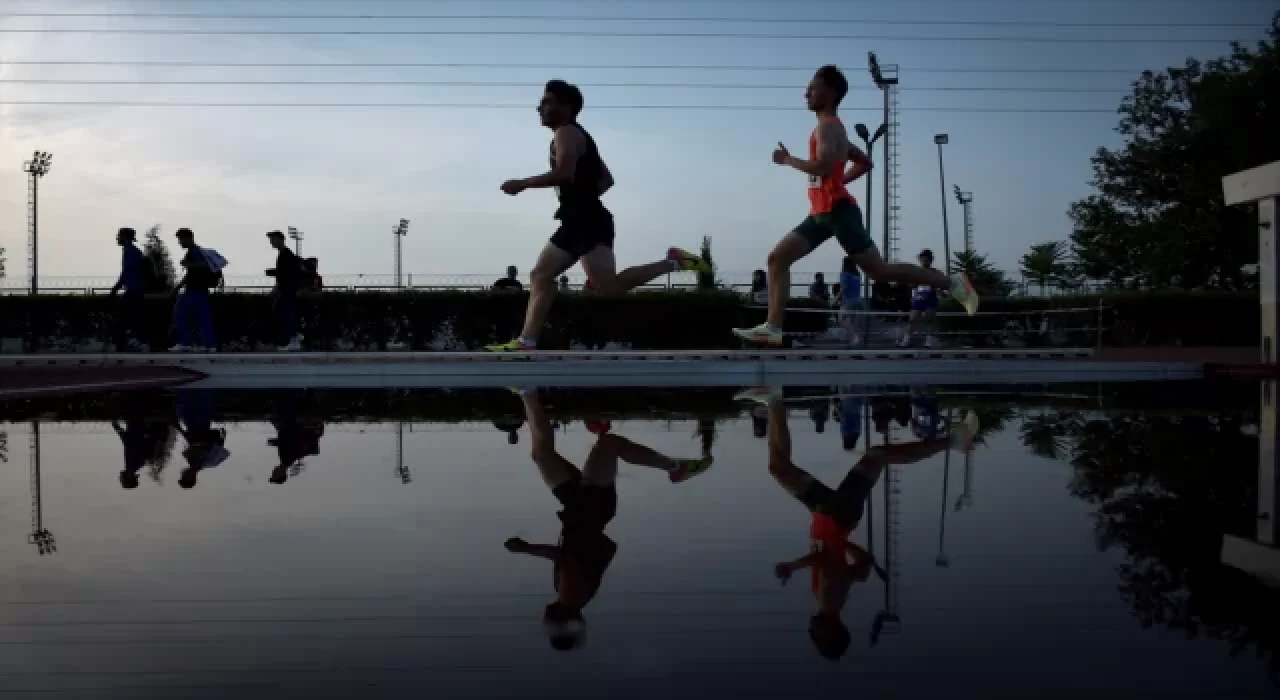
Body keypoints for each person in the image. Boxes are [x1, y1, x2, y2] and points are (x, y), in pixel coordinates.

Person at [733, 65, 978, 347]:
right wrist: (838, 180)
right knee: (777, 259)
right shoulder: (835, 130)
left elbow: (824, 166)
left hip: (838, 213)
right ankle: (773, 327)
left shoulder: (828, 127)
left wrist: (788, 160)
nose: (806, 93)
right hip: (821, 214)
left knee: (880, 271)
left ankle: (953, 283)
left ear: (831, 92)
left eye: (812, 88)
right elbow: (865, 163)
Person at [736, 386, 979, 660]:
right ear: (830, 633)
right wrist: (793, 566)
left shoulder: (836, 599)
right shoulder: (829, 600)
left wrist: (850, 553)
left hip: (829, 515)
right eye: (816, 638)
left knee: (779, 469)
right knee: (877, 456)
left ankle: (774, 402)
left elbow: (862, 564)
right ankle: (955, 441)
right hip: (836, 515)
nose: (810, 632)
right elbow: (822, 557)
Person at [487, 80, 712, 352]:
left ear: (566, 107)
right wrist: (582, 195)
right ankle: (673, 262)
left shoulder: (566, 133)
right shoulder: (579, 134)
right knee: (579, 283)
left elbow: (564, 173)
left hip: (584, 220)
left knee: (551, 278)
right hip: (586, 218)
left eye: (547, 102)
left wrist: (522, 183)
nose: (539, 107)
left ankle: (527, 342)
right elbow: (606, 180)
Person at [503, 388, 713, 650]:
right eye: (549, 627)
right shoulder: (570, 596)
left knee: (542, 455)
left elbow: (609, 548)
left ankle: (528, 394)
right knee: (609, 445)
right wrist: (525, 548)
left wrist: (587, 536)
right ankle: (676, 467)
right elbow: (564, 557)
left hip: (583, 510)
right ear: (560, 623)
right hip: (590, 509)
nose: (543, 622)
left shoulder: (582, 595)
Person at [170, 228, 220, 352]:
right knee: (203, 318)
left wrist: (188, 264)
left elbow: (205, 265)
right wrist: (178, 286)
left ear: (188, 238)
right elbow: (191, 274)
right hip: (201, 290)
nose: (179, 243)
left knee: (179, 313)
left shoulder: (194, 252)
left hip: (194, 290)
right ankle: (210, 345)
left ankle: (185, 342)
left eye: (180, 239)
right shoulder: (197, 252)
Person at [108, 227, 148, 352]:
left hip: (134, 289)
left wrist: (116, 288)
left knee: (122, 318)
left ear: (124, 237)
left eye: (119, 235)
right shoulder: (132, 251)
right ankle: (132, 342)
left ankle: (131, 343)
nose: (117, 238)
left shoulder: (131, 252)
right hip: (135, 289)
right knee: (130, 317)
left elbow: (127, 272)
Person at [265, 230, 303, 351]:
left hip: (288, 289)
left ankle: (294, 337)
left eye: (273, 239)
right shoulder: (283, 254)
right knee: (282, 311)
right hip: (286, 288)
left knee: (286, 312)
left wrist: (275, 277)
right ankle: (294, 336)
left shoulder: (286, 254)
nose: (271, 242)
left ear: (281, 239)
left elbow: (286, 273)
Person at [899, 249, 941, 348]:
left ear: (929, 260)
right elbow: (913, 285)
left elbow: (939, 285)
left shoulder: (935, 272)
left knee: (929, 319)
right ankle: (906, 340)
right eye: (921, 259)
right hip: (919, 297)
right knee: (912, 318)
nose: (923, 261)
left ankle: (929, 340)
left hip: (930, 297)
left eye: (925, 259)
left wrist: (934, 286)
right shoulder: (917, 271)